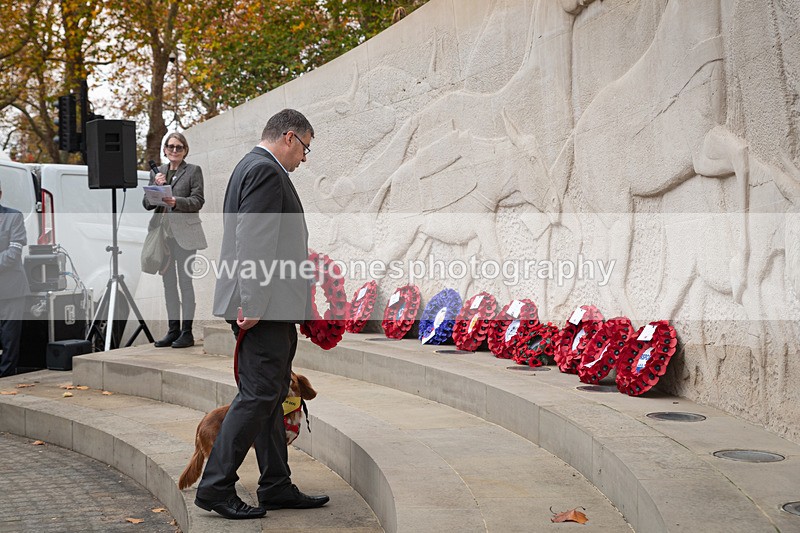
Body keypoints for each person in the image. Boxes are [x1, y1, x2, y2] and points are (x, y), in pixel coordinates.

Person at [194, 109, 328, 519]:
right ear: (289, 137)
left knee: (270, 396)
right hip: (264, 309)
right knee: (259, 396)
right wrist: (251, 302)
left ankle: (275, 485)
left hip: (272, 307)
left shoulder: (249, 167)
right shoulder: (266, 171)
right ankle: (215, 487)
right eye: (305, 148)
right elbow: (254, 238)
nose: (304, 158)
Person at [143, 132, 207, 348]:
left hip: (185, 236)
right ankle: (173, 330)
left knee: (185, 283)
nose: (174, 150)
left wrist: (175, 201)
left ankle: (187, 332)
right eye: (171, 147)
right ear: (165, 150)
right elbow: (147, 203)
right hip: (164, 237)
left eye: (179, 147)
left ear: (185, 150)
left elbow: (198, 201)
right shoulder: (158, 172)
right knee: (168, 284)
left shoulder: (193, 171)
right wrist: (156, 187)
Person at [0, 180, 28, 377]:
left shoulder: (14, 216)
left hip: (11, 290)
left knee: (9, 341)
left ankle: (6, 379)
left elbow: (13, 254)